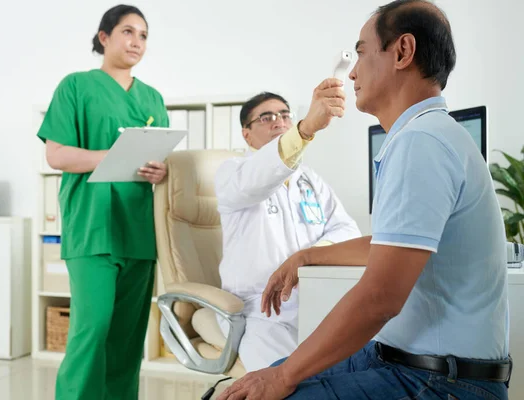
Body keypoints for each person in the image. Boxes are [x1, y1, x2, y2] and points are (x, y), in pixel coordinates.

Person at [218, 1, 512, 399]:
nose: (353, 71)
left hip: (438, 380)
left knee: (264, 387)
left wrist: (285, 375)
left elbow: (380, 297)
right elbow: (387, 245)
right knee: (247, 384)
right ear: (245, 134)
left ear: (403, 52)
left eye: (360, 52)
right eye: (265, 119)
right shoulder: (423, 136)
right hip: (391, 354)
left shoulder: (419, 142)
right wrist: (306, 256)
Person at [36, 5, 169, 400]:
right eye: (127, 32)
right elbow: (56, 154)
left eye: (143, 35)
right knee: (91, 331)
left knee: (127, 342)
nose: (136, 42)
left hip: (138, 231)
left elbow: (159, 160)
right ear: (104, 37)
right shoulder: (75, 86)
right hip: (92, 227)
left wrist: (159, 172)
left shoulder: (152, 98)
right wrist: (112, 157)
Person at [214, 92, 361, 372]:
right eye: (266, 117)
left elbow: (346, 228)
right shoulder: (233, 173)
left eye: (284, 115)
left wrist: (311, 256)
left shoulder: (308, 178)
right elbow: (261, 176)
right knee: (288, 385)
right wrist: (304, 130)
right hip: (260, 311)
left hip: (314, 300)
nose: (278, 121)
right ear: (247, 134)